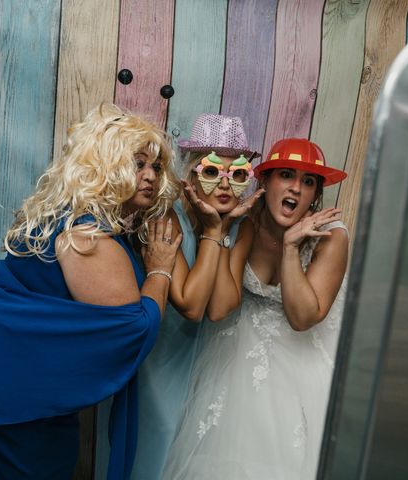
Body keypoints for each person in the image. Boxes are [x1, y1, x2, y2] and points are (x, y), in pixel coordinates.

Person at [0, 103, 181, 480]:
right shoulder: (87, 237)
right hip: (2, 398)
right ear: (105, 163)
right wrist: (160, 267)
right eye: (137, 163)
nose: (149, 176)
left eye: (156, 167)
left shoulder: (62, 218)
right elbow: (134, 331)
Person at [161, 138, 349, 480]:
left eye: (308, 182)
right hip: (238, 348)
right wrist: (221, 228)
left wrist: (291, 247)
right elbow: (219, 308)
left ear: (316, 195)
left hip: (303, 357)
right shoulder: (246, 223)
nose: (296, 187)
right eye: (287, 175)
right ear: (265, 182)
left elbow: (303, 318)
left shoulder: (331, 236)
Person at [121, 114, 264, 480]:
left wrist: (223, 227)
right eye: (213, 171)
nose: (224, 185)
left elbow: (220, 308)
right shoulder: (165, 217)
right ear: (190, 173)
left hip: (209, 363)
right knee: (156, 451)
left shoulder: (242, 227)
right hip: (163, 360)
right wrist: (214, 232)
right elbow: (191, 305)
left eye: (237, 174)